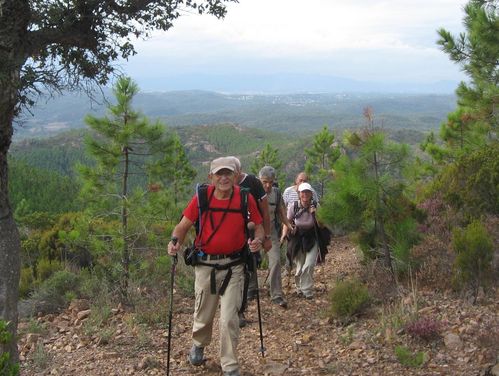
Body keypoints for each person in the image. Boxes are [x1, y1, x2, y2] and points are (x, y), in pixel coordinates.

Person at [168, 156, 264, 376]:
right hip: (206, 264)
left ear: (236, 176)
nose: (224, 178)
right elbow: (182, 226)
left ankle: (229, 365)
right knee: (204, 313)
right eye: (219, 174)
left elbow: (258, 226)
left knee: (230, 317)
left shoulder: (244, 198)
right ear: (211, 177)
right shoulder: (202, 197)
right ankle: (199, 344)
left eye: (228, 173)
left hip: (235, 266)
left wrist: (258, 240)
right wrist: (174, 242)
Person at [230, 156, 272, 327]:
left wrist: (266, 237)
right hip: (232, 237)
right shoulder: (223, 185)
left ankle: (239, 310)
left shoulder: (253, 183)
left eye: (231, 171)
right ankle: (234, 309)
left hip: (252, 234)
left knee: (245, 272)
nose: (227, 175)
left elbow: (265, 212)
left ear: (238, 171)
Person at [258, 166, 294, 308]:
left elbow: (281, 212)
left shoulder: (276, 193)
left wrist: (288, 225)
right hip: (255, 231)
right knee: (250, 262)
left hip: (271, 232)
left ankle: (277, 294)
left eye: (271, 182)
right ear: (259, 180)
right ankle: (250, 291)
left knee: (276, 261)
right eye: (265, 182)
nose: (268, 185)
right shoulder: (252, 193)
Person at [281, 182, 318, 300]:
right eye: (303, 192)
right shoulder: (294, 206)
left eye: (307, 192)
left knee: (309, 264)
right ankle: (298, 287)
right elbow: (287, 222)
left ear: (311, 194)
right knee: (300, 265)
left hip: (312, 237)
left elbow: (322, 225)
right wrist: (283, 236)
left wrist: (315, 214)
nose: (305, 195)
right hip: (297, 237)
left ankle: (306, 290)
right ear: (299, 194)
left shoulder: (316, 206)